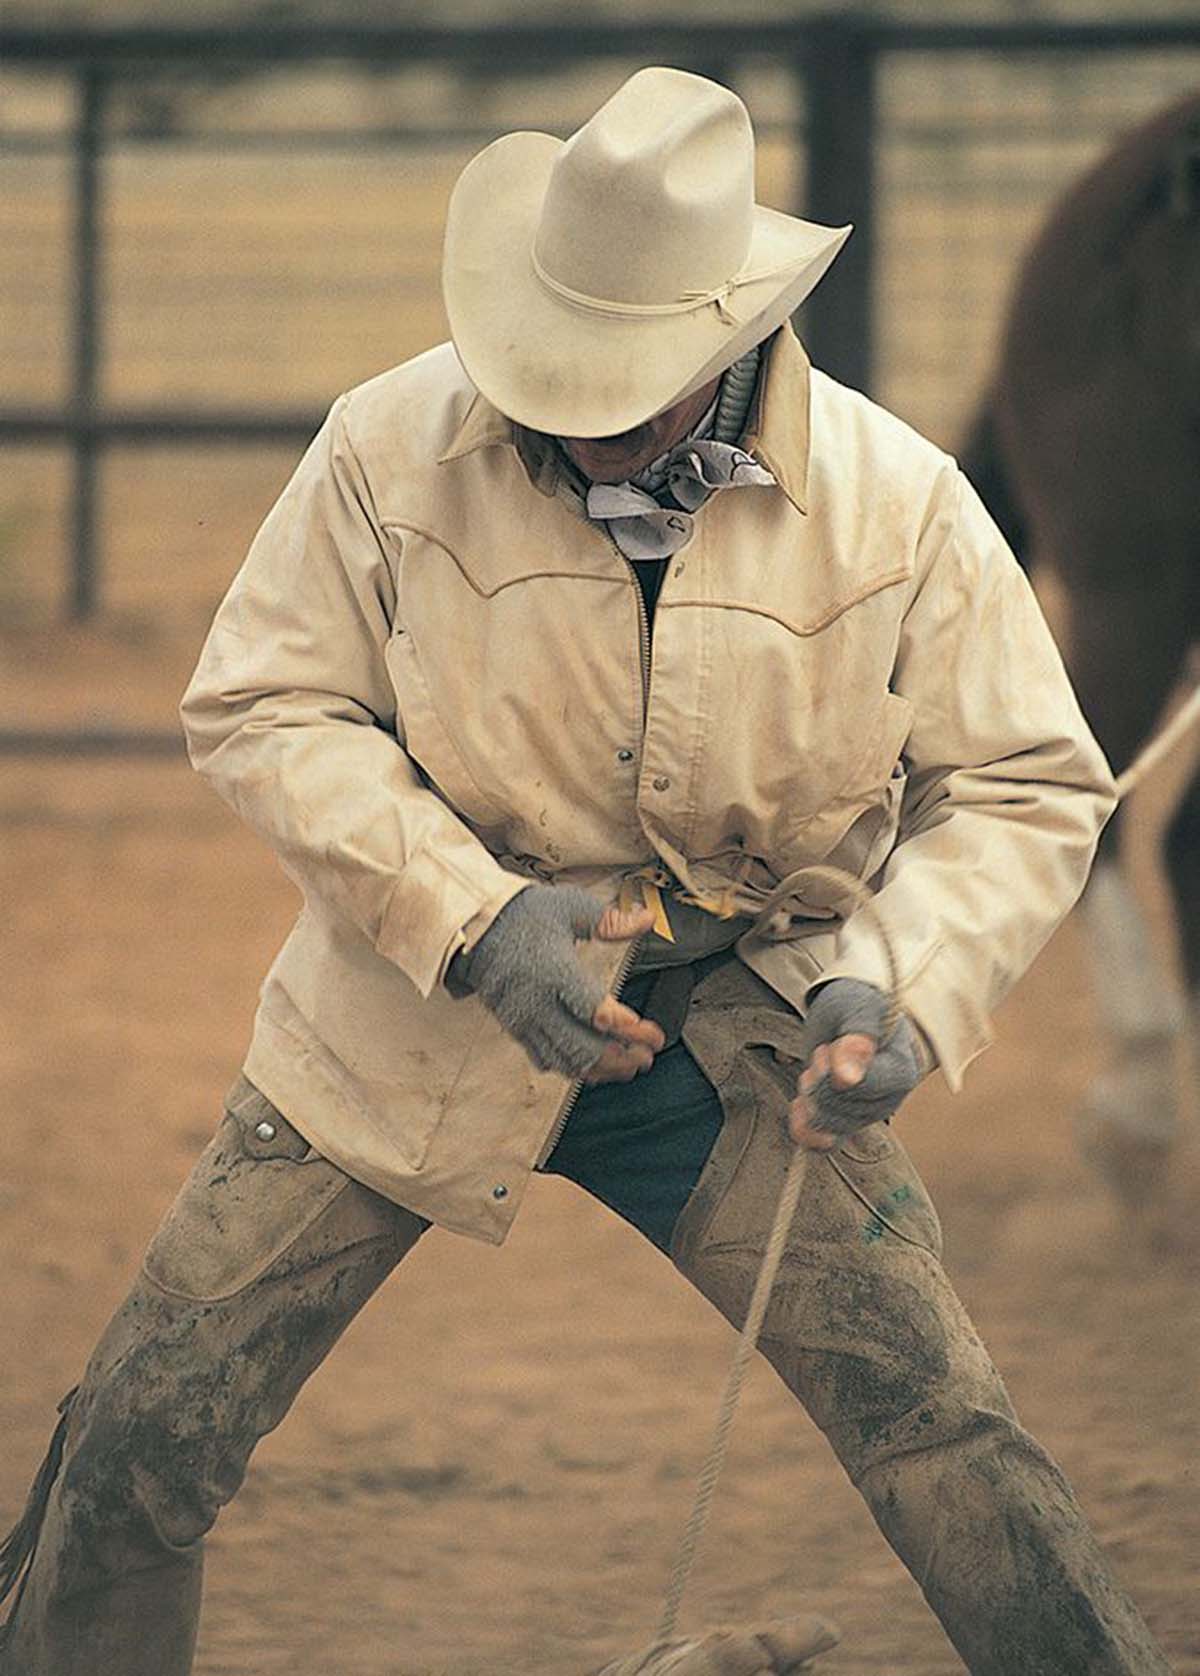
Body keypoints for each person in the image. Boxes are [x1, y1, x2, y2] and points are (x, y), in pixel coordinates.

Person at [0, 66, 1173, 1676]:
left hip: (743, 1023)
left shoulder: (899, 508)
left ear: (724, 334)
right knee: (140, 1436)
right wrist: (476, 921)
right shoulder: (385, 448)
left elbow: (1032, 780)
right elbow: (265, 700)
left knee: (946, 1425)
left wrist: (894, 985)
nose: (568, 405)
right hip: (412, 1012)